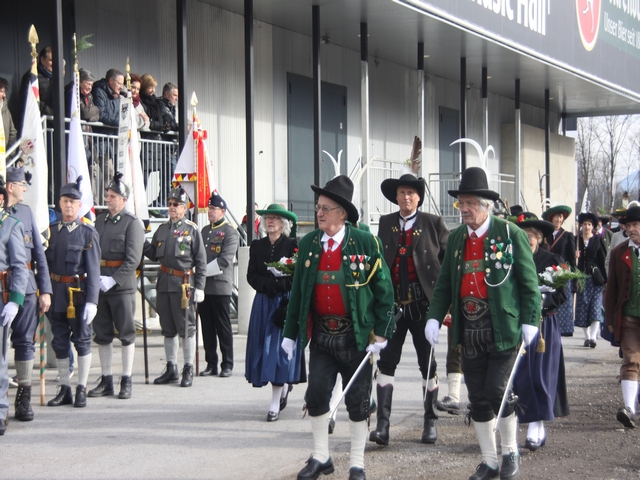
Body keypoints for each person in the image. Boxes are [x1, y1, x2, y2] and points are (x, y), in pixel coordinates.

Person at [424, 167, 541, 480]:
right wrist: (434, 315)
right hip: (469, 330)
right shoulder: (458, 238)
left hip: (503, 329)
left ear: (487, 205)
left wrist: (531, 321)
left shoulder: (510, 234)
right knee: (477, 398)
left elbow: (529, 284)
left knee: (498, 391)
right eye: (460, 203)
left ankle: (511, 452)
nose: (464, 209)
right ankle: (489, 461)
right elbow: (446, 283)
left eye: (470, 203)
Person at [281, 175, 395, 480]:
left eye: (326, 208)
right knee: (316, 395)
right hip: (321, 337)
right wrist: (290, 335)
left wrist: (382, 332)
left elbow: (385, 290)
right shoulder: (307, 245)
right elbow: (299, 295)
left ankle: (357, 462)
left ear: (342, 214)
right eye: (318, 207)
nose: (319, 213)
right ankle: (321, 456)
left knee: (358, 402)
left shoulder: (366, 242)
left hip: (357, 337)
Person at [370, 173, 449, 445]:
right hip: (392, 307)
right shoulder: (386, 223)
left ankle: (430, 422)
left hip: (423, 306)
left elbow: (448, 263)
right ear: (396, 197)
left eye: (411, 193)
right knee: (386, 362)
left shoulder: (433, 223)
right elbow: (378, 263)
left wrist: (444, 303)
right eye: (402, 193)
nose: (406, 197)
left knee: (427, 363)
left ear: (419, 197)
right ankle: (383, 425)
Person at [512, 212, 570, 450]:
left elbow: (561, 294)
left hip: (544, 326)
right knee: (519, 376)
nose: (527, 241)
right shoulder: (508, 259)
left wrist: (540, 300)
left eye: (531, 237)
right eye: (523, 236)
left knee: (540, 376)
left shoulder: (551, 259)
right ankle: (516, 422)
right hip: (515, 325)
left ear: (538, 238)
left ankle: (537, 427)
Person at [45, 177, 101, 408]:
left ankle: (81, 387)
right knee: (59, 342)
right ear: (59, 203)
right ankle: (65, 388)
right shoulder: (51, 232)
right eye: (65, 201)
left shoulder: (88, 233)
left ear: (80, 206)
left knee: (82, 340)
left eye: (73, 202)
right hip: (56, 292)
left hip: (78, 294)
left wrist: (92, 302)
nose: (69, 205)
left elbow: (94, 269)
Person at [88, 173, 145, 400]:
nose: (108, 199)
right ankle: (107, 380)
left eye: (112, 196)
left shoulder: (132, 223)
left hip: (121, 286)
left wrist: (114, 279)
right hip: (100, 284)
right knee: (102, 334)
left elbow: (133, 259)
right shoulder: (99, 220)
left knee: (126, 333)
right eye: (107, 195)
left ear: (123, 199)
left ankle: (127, 379)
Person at [143, 187, 206, 387]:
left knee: (186, 328)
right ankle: (172, 367)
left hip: (183, 285)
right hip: (164, 282)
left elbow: (201, 261)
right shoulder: (162, 229)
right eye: (169, 204)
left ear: (184, 208)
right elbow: (153, 253)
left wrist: (200, 287)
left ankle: (188, 366)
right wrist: (139, 238)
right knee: (167, 328)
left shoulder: (192, 230)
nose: (171, 207)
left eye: (176, 204)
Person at [245, 203, 303, 421]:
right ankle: (281, 389)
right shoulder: (256, 246)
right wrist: (266, 284)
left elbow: (296, 275)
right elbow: (251, 275)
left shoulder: (292, 245)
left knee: (278, 350)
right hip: (263, 302)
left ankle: (274, 401)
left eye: (275, 219)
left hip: (282, 302)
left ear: (284, 223)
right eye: (268, 218)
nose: (271, 222)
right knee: (263, 348)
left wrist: (280, 285)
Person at [4, 167, 52, 421]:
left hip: (26, 288)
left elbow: (39, 257)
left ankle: (24, 397)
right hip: (2, 288)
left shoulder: (26, 212)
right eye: (22, 184)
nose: (25, 188)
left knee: (24, 343)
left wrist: (45, 290)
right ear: (10, 186)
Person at [605, 205, 640, 428]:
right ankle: (629, 408)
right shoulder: (619, 252)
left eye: (636, 225)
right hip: (628, 317)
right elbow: (612, 289)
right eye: (629, 226)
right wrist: (610, 319)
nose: (632, 229)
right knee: (631, 360)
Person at [0, 174, 30, 435]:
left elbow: (20, 267)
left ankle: (0, 410)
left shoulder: (11, 225)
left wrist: (15, 302)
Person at [199, 192, 239, 378]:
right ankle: (211, 363)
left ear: (222, 211)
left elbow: (225, 260)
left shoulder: (230, 232)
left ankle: (227, 363)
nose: (210, 212)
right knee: (207, 327)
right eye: (209, 208)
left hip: (220, 286)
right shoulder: (205, 231)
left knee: (223, 327)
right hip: (204, 288)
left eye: (214, 209)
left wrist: (201, 272)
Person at [542, 205, 576, 337]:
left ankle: (562, 330)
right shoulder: (546, 236)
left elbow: (572, 259)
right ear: (551, 218)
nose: (558, 219)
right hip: (547, 273)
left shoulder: (567, 235)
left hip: (562, 273)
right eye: (556, 216)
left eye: (561, 216)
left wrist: (574, 277)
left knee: (562, 301)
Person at [575, 212, 607, 348]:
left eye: (589, 224)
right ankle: (587, 337)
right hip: (581, 279)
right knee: (583, 309)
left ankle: (593, 338)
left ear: (592, 227)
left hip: (595, 280)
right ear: (581, 226)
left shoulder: (598, 241)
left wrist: (606, 278)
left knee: (595, 309)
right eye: (584, 224)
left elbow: (603, 260)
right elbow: (570, 260)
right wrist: (574, 256)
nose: (587, 227)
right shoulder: (576, 241)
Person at [20, 46, 54, 117]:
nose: (53, 63)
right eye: (51, 60)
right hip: (38, 122)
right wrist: (48, 110)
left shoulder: (55, 78)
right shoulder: (31, 76)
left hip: (53, 123)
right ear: (42, 60)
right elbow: (29, 99)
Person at [0, 77, 18, 149]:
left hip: (4, 157)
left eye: (4, 92)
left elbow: (12, 133)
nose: (4, 95)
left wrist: (10, 155)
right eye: (1, 91)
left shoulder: (5, 110)